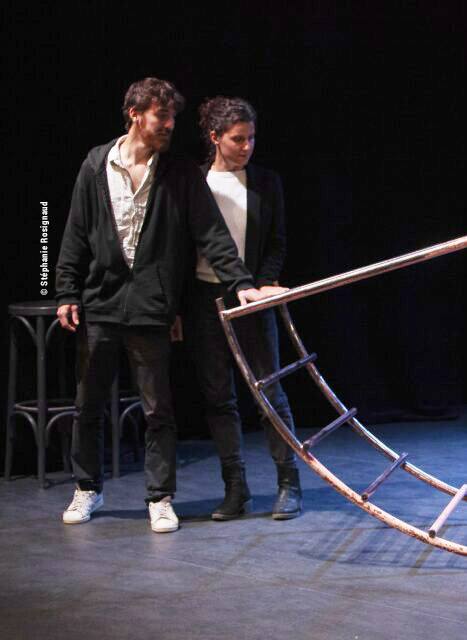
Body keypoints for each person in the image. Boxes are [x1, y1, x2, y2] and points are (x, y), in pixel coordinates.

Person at [55, 78, 273, 533]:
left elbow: (211, 234)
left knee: (158, 409)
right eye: (162, 115)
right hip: (101, 302)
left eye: (173, 116)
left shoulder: (179, 172)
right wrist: (64, 290)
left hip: (151, 305)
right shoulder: (96, 164)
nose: (170, 124)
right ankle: (87, 487)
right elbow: (74, 230)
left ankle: (160, 496)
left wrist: (241, 283)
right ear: (135, 114)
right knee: (88, 404)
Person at [182, 96, 301, 521]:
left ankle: (289, 482)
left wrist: (264, 282)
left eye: (251, 138)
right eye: (237, 139)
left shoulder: (266, 182)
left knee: (269, 390)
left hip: (251, 296)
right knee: (219, 396)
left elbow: (276, 243)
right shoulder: (195, 181)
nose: (246, 146)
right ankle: (236, 489)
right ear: (215, 137)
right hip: (204, 299)